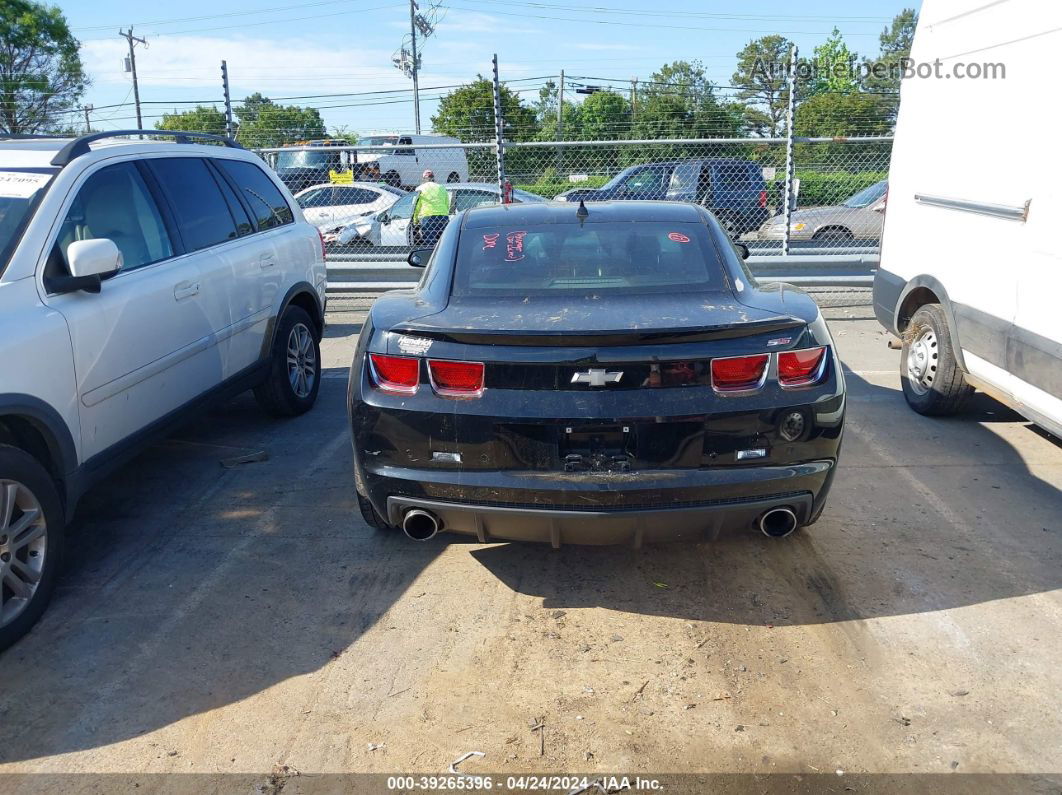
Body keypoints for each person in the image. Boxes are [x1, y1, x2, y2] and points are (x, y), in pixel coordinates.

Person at [412, 169, 450, 246]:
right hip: (443, 216)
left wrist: (415, 220)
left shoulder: (420, 189)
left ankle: (431, 256)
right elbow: (447, 203)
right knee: (444, 241)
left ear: (423, 179)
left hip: (428, 217)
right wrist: (445, 213)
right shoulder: (441, 187)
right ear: (433, 178)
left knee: (430, 242)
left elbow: (416, 206)